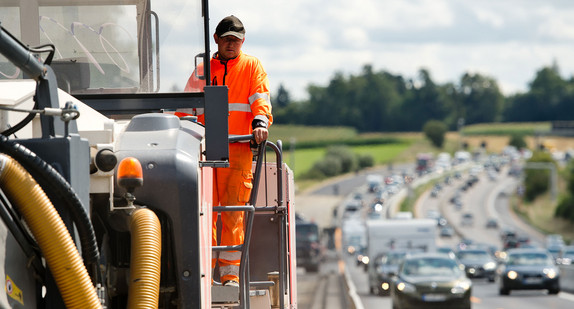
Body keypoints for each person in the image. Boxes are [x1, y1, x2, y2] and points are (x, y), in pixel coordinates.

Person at [178, 15, 272, 287]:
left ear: (243, 42)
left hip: (240, 150)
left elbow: (260, 98)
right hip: (206, 153)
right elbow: (186, 110)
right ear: (216, 40)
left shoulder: (252, 66)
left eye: (237, 40)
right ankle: (206, 276)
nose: (232, 44)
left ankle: (229, 276)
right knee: (205, 212)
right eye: (227, 39)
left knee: (233, 213)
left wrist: (260, 123)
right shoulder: (202, 70)